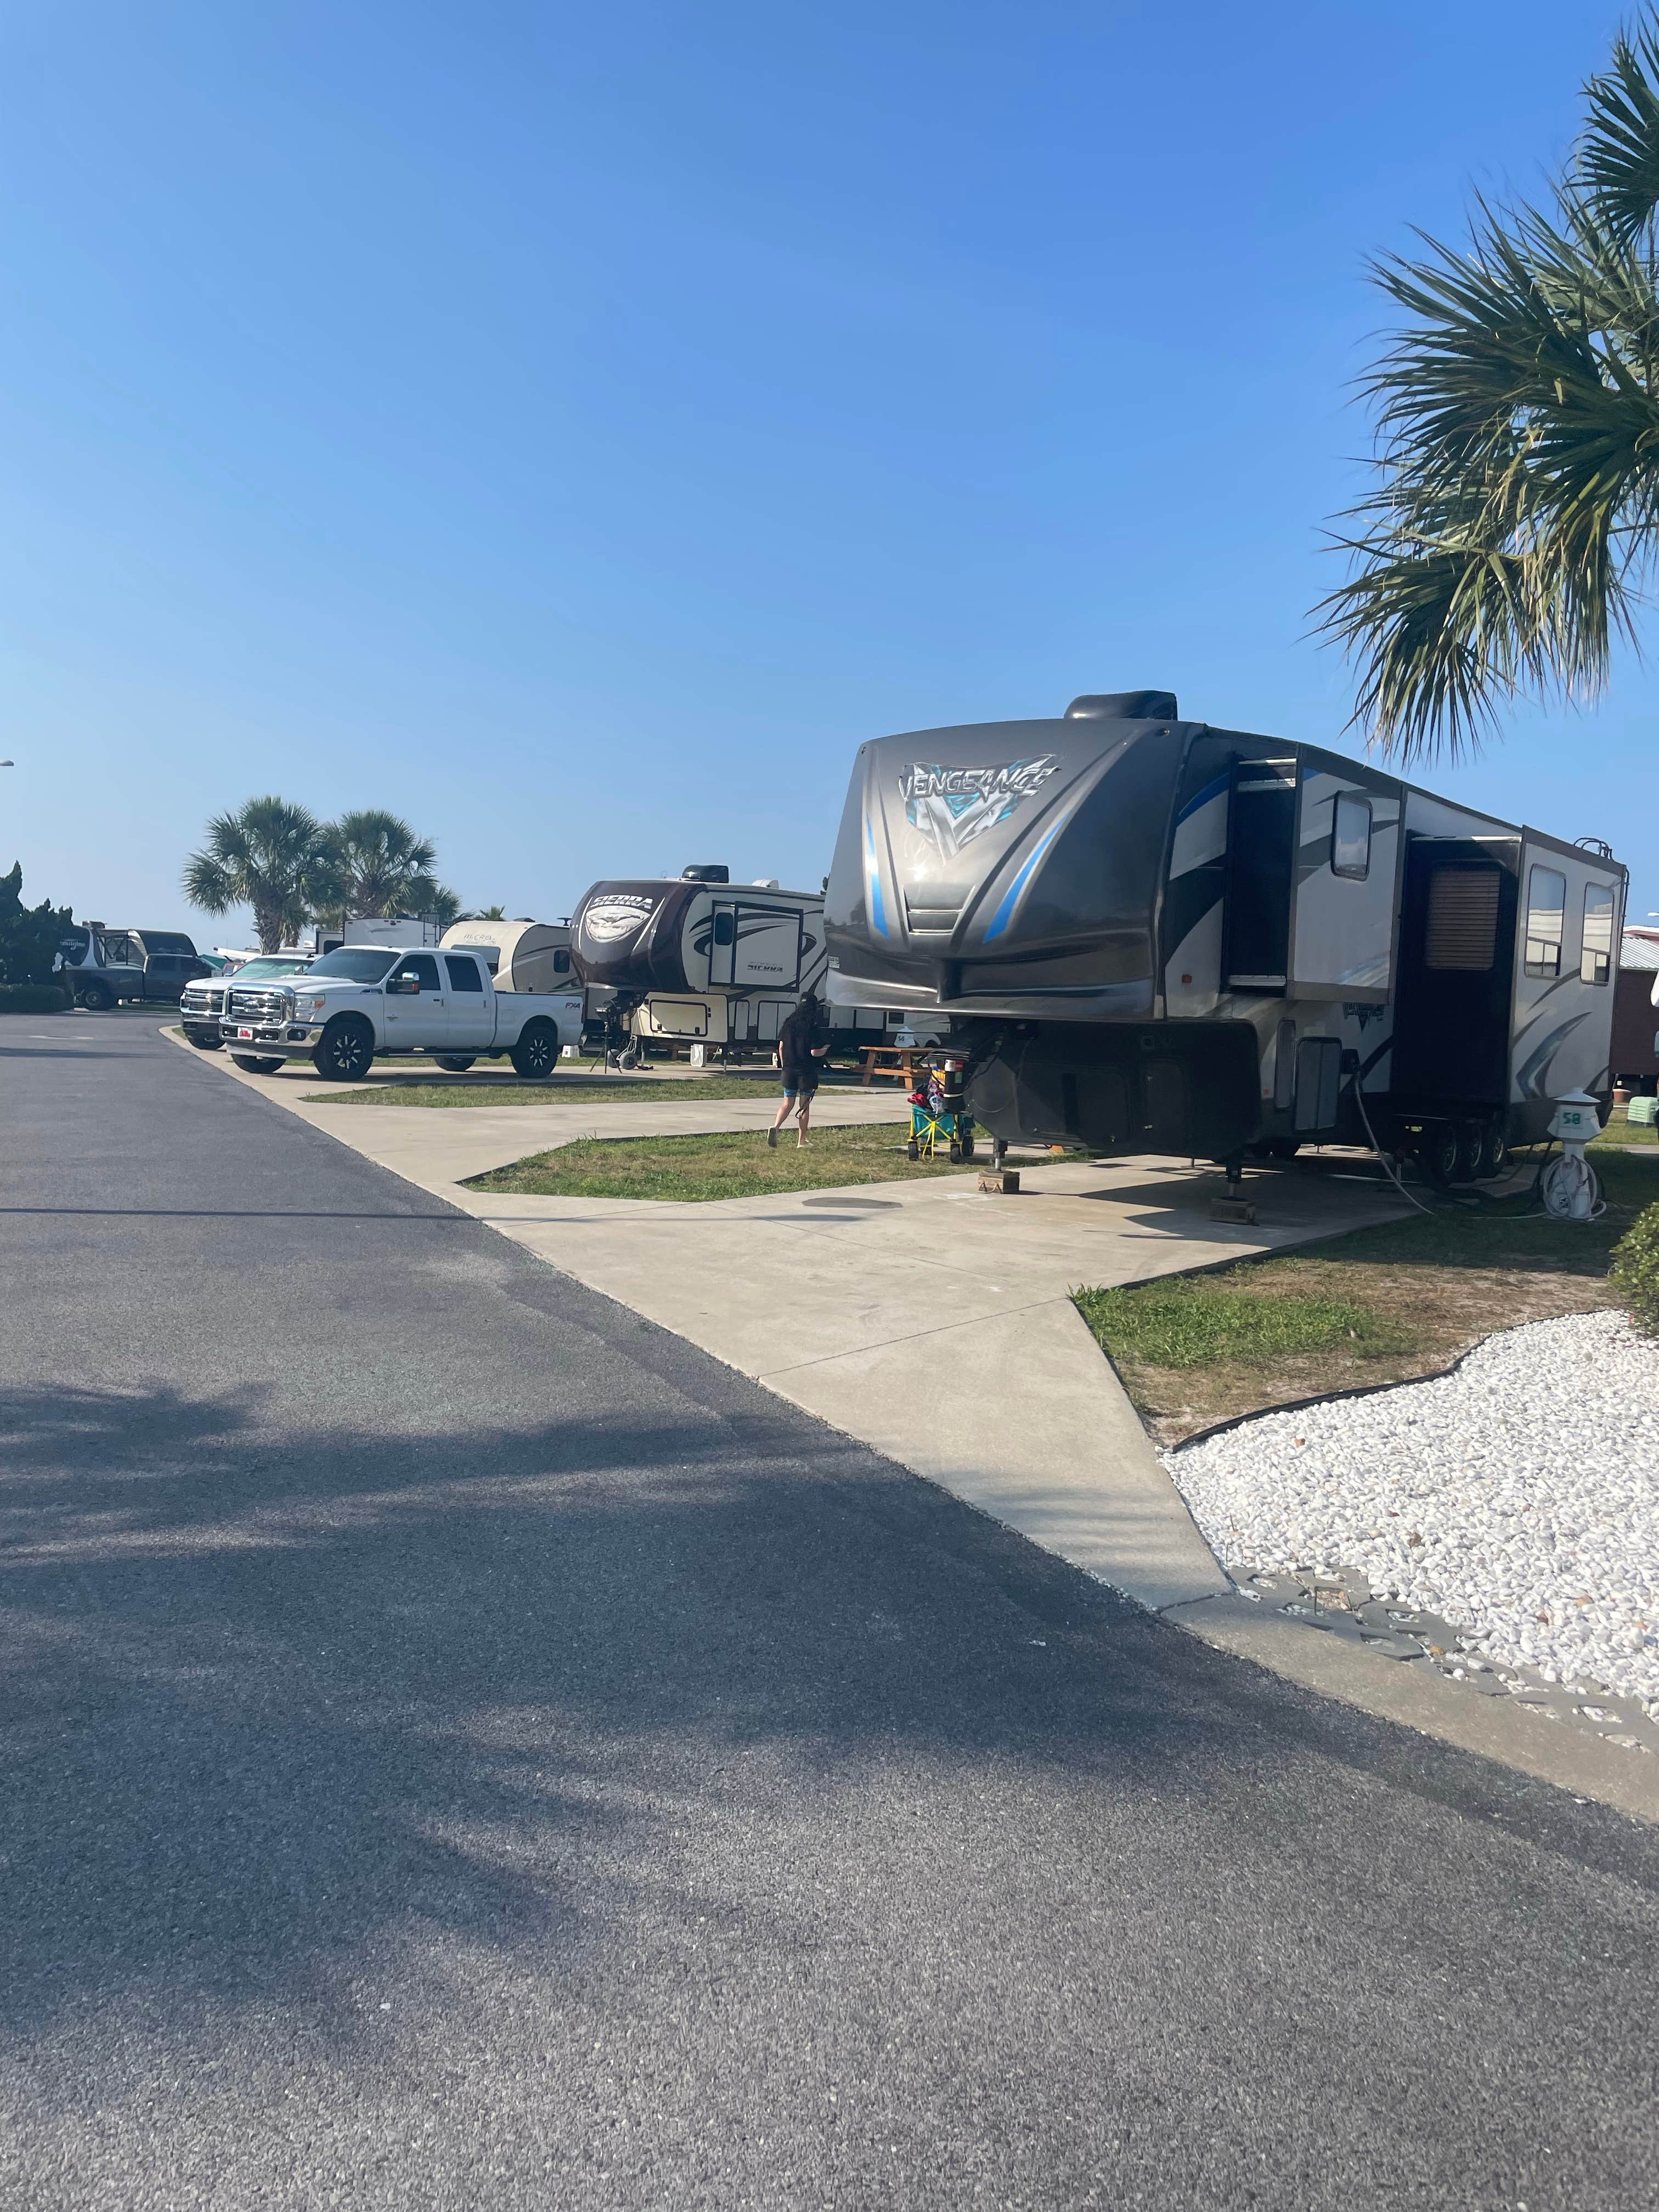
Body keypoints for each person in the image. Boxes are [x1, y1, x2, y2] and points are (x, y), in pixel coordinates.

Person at [769, 995, 830, 1147]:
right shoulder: (812, 1027)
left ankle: (775, 1127)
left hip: (788, 1071)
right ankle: (802, 1141)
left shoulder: (788, 1024)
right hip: (806, 1072)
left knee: (787, 1103)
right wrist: (825, 1050)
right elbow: (814, 1053)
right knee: (804, 1106)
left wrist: (785, 1066)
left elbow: (781, 1047)